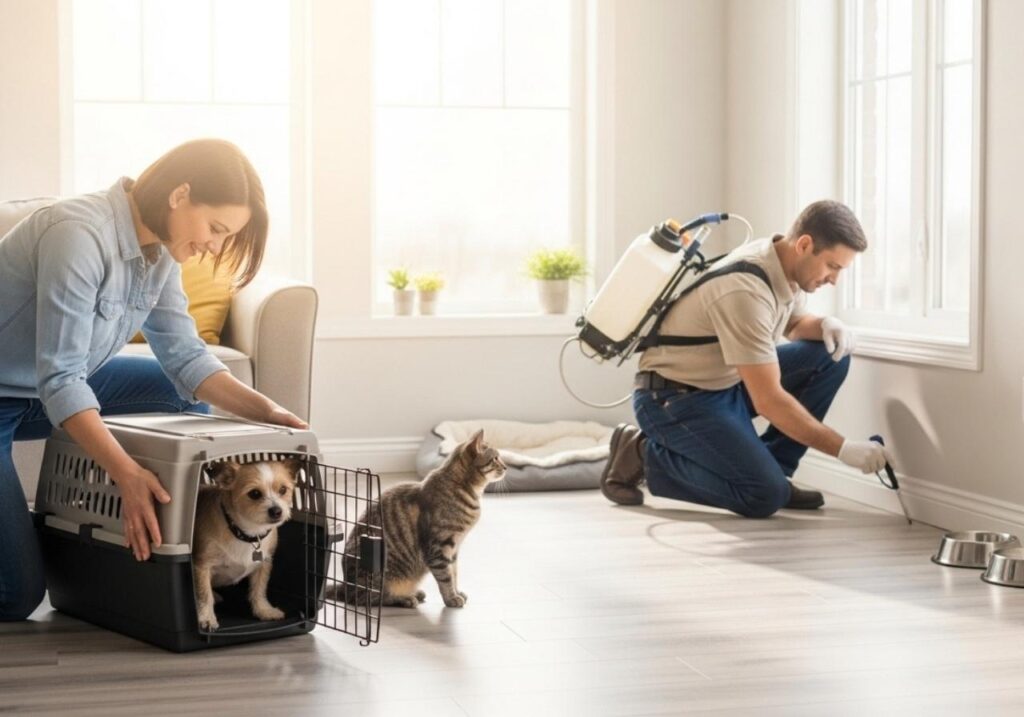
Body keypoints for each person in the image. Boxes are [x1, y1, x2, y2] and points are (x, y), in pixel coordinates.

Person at [0, 138, 307, 621]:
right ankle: (69, 533)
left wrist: (268, 411)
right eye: (216, 228)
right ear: (180, 195)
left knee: (176, 398)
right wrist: (126, 474)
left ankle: (143, 545)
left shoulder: (161, 252)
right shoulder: (77, 234)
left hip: (41, 391)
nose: (214, 245)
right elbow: (60, 378)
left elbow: (186, 360)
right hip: (23, 391)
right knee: (16, 596)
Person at [599, 200, 895, 517]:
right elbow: (768, 400)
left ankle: (773, 470)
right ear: (805, 244)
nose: (834, 279)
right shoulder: (745, 290)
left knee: (829, 356)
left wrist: (824, 324)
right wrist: (843, 449)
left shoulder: (782, 263)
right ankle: (643, 455)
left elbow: (793, 324)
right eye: (832, 266)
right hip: (674, 398)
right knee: (763, 496)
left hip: (724, 384)